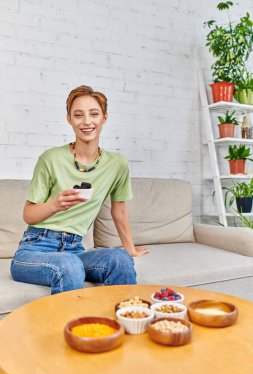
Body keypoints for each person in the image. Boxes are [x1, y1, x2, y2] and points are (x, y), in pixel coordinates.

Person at [10, 85, 149, 294]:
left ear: (104, 117)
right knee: (69, 265)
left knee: (119, 259)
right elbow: (28, 215)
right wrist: (56, 204)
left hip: (75, 249)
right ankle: (73, 327)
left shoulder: (117, 164)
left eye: (94, 114)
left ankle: (124, 324)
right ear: (69, 119)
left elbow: (119, 209)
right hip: (35, 249)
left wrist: (130, 249)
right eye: (78, 115)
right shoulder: (51, 159)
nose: (86, 121)